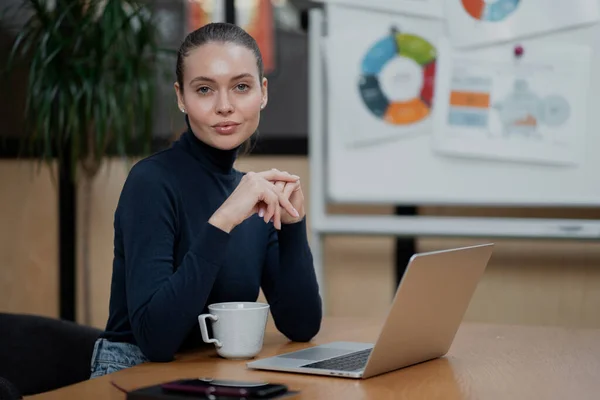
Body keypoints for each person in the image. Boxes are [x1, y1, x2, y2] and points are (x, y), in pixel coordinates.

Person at [89, 22, 322, 378]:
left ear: (262, 92)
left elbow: (301, 324)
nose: (224, 106)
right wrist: (225, 219)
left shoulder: (251, 193)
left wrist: (292, 227)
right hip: (132, 374)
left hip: (209, 373)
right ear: (181, 97)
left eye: (241, 87)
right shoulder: (150, 182)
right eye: (204, 90)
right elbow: (157, 340)